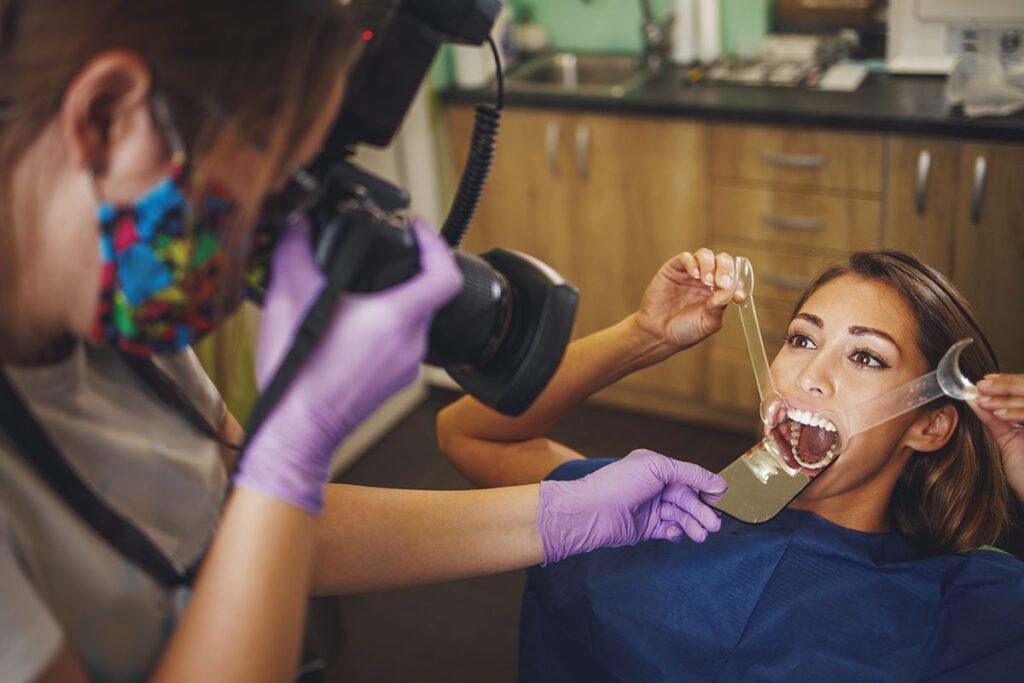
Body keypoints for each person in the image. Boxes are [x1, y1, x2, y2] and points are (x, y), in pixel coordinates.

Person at [0, 3, 729, 681]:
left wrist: (560, 513)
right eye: (275, 178)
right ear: (108, 117)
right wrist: (293, 443)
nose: (272, 233)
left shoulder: (124, 310)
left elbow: (250, 528)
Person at [438, 247, 1024, 680]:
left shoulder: (967, 607)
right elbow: (469, 432)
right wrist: (643, 336)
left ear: (928, 424)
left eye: (866, 356)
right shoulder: (646, 510)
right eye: (800, 339)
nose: (809, 377)